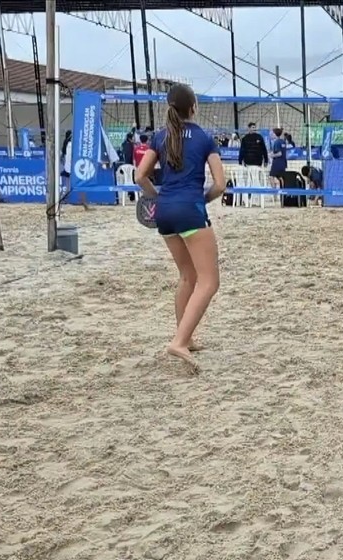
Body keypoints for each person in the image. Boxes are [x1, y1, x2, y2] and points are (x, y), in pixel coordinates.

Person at [135, 83, 227, 371]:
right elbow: (220, 185)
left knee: (187, 277)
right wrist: (201, 200)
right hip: (190, 210)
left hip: (164, 212)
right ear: (193, 108)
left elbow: (140, 176)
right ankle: (179, 341)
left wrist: (157, 196)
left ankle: (185, 338)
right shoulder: (204, 138)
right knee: (209, 282)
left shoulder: (160, 137)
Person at [60, 129, 89, 210]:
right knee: (79, 186)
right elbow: (71, 158)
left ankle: (84, 203)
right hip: (72, 169)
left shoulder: (67, 145)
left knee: (69, 188)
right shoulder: (70, 145)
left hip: (69, 168)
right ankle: (84, 203)